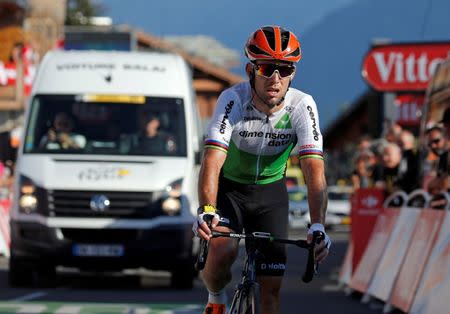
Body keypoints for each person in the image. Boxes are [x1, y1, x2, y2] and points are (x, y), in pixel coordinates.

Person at [192, 25, 331, 314]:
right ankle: (215, 298)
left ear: (293, 73)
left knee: (271, 290)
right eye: (267, 68)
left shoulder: (302, 106)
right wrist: (206, 208)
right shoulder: (233, 101)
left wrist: (317, 224)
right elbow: (212, 160)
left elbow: (314, 170)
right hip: (231, 190)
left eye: (285, 69)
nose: (276, 78)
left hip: (271, 195)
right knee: (222, 249)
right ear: (250, 69)